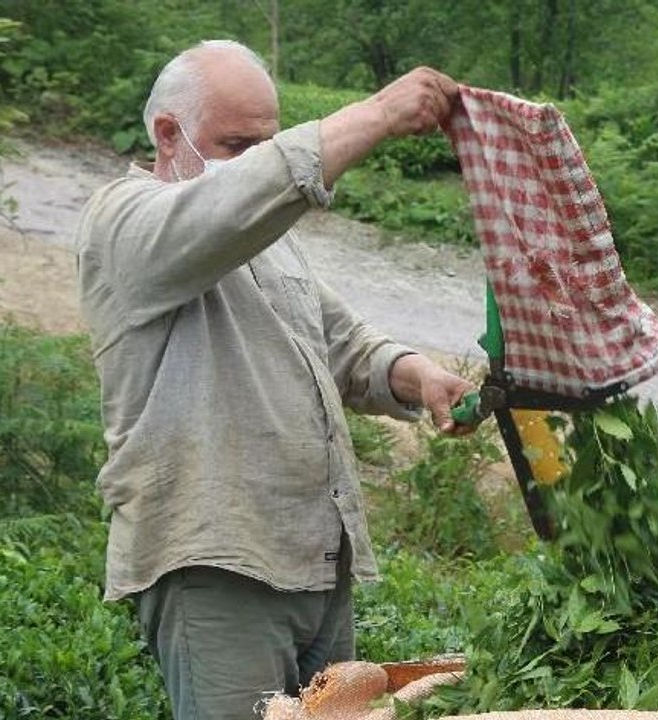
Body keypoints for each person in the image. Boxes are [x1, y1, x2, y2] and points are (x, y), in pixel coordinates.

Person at [75, 39, 475, 719]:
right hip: (218, 570)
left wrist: (416, 375)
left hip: (313, 559)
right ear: (167, 134)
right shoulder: (124, 221)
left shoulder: (265, 240)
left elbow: (340, 342)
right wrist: (376, 114)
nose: (256, 162)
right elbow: (244, 198)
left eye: (267, 143)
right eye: (238, 145)